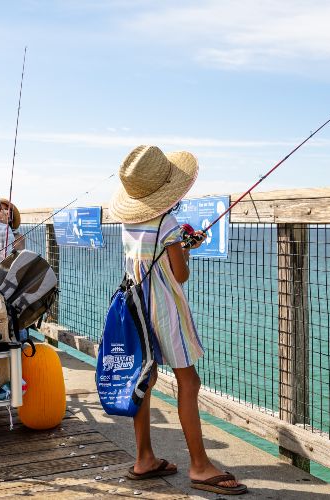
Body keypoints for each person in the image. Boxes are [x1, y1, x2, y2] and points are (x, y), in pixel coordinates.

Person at [110, 145, 247, 495]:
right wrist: (185, 248)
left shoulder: (129, 221)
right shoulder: (168, 223)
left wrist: (180, 244)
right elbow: (180, 274)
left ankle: (144, 459)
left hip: (135, 308)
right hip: (165, 311)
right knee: (189, 382)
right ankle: (200, 466)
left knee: (145, 379)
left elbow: (149, 259)